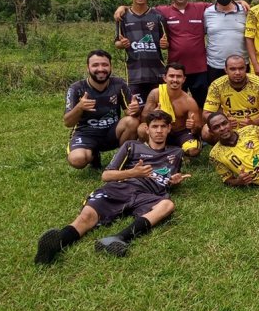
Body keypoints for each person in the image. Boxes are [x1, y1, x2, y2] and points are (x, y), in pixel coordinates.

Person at [35, 110, 190, 264]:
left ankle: (119, 238)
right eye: (155, 126)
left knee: (167, 205)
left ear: (169, 128)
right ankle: (55, 245)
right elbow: (106, 176)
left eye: (163, 126)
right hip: (119, 188)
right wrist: (133, 172)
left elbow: (165, 178)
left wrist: (173, 181)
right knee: (86, 217)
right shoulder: (132, 146)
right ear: (146, 129)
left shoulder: (176, 153)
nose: (159, 131)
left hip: (147, 194)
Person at [114, 0, 249, 107]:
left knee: (204, 105)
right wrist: (123, 7)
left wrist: (240, 1)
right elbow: (140, 6)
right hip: (175, 70)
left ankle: (201, 129)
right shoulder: (161, 12)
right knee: (175, 105)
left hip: (200, 69)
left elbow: (222, 2)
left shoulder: (202, 8)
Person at [64, 50, 141, 169]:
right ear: (87, 68)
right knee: (77, 160)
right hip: (86, 134)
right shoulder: (76, 88)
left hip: (111, 132)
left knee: (132, 121)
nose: (101, 69)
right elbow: (68, 122)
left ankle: (122, 158)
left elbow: (129, 112)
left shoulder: (119, 84)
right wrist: (79, 107)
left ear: (111, 67)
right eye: (95, 65)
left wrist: (134, 109)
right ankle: (93, 155)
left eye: (105, 65)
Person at [115, 0, 168, 105]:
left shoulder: (158, 16)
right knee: (136, 112)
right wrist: (121, 44)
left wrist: (165, 45)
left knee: (159, 112)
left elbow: (166, 43)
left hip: (157, 73)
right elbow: (117, 42)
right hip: (134, 73)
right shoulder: (122, 17)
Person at [201, 55, 259, 145]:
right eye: (233, 69)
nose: (237, 72)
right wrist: (224, 121)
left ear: (246, 68)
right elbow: (206, 114)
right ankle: (223, 149)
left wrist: (254, 122)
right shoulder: (217, 86)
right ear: (226, 70)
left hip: (255, 123)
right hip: (229, 125)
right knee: (205, 131)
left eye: (241, 68)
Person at [138, 63, 202, 157]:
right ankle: (154, 150)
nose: (175, 80)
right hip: (161, 130)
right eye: (171, 76)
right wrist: (153, 115)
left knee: (193, 151)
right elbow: (143, 119)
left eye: (179, 76)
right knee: (141, 129)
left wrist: (193, 126)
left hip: (181, 133)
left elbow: (198, 128)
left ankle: (174, 149)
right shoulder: (156, 94)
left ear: (184, 79)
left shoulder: (189, 102)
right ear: (165, 78)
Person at [203, 0, 249, 84]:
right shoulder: (207, 12)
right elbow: (203, 34)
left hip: (241, 66)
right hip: (215, 66)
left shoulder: (245, 10)